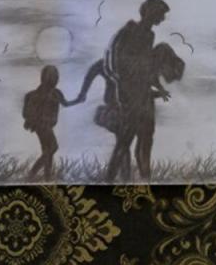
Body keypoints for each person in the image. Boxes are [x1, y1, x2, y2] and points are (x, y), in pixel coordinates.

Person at [75, 41, 184, 181]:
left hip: (139, 109)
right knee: (125, 145)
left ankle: (133, 179)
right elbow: (97, 70)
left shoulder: (146, 64)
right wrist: (82, 93)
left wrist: (158, 91)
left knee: (134, 145)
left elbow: (146, 85)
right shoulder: (122, 64)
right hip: (126, 109)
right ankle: (121, 180)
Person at [101, 0, 170, 182]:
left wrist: (159, 87)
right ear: (150, 12)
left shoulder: (150, 36)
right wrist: (121, 86)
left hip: (144, 95)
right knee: (125, 140)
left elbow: (147, 66)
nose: (162, 18)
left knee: (147, 137)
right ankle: (108, 180)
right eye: (161, 14)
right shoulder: (128, 31)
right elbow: (113, 60)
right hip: (130, 95)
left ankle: (146, 180)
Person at [22, 65, 83, 181]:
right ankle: (33, 173)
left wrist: (78, 101)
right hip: (43, 126)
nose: (54, 79)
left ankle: (47, 177)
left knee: (47, 150)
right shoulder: (46, 94)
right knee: (53, 148)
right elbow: (66, 104)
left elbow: (65, 103)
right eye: (53, 76)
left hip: (43, 126)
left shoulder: (41, 94)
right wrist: (79, 100)